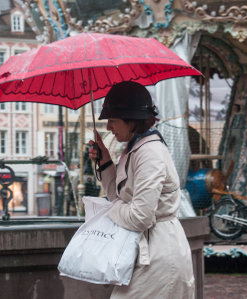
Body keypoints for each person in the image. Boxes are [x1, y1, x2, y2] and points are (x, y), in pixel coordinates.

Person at [88, 81, 195, 298]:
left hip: (160, 255)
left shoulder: (149, 152)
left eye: (112, 120)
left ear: (132, 121)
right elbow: (118, 198)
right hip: (144, 252)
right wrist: (106, 162)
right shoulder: (134, 148)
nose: (108, 127)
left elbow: (139, 217)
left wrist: (112, 210)